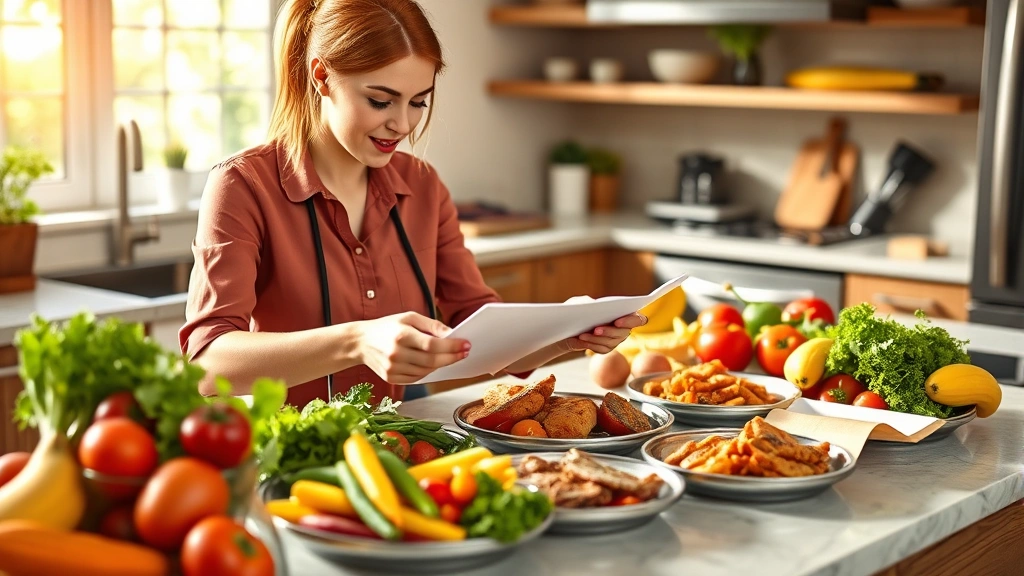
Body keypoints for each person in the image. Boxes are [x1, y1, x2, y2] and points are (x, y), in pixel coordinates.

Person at [179, 0, 646, 407]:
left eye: (418, 102)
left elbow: (475, 331)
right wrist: (358, 341)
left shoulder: (422, 187)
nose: (401, 124)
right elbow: (207, 364)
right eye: (381, 101)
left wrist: (563, 334)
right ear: (322, 77)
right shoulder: (242, 186)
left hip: (399, 442)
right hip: (286, 451)